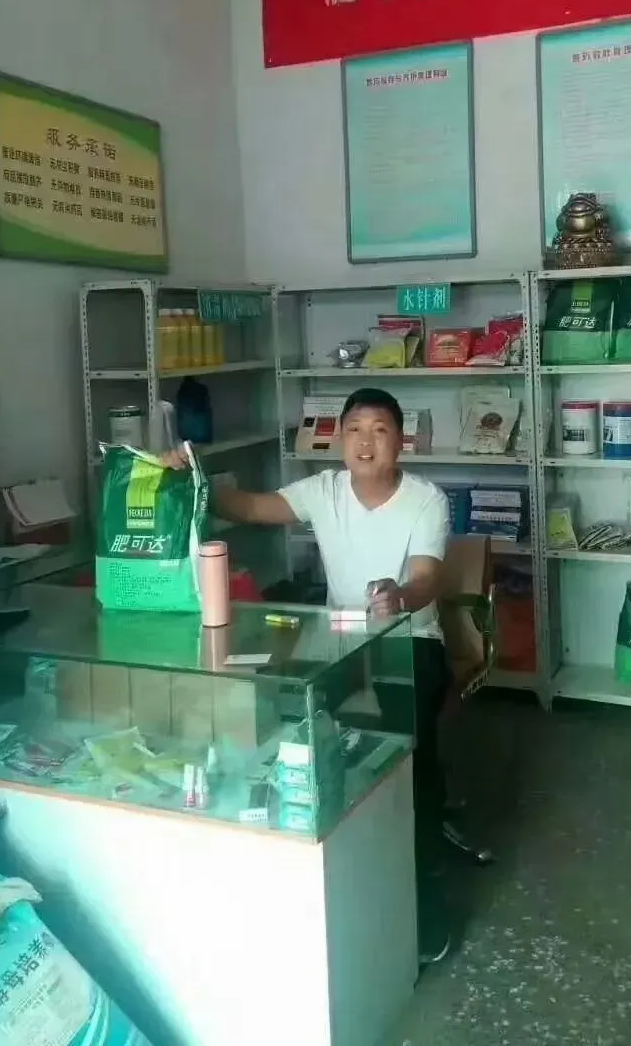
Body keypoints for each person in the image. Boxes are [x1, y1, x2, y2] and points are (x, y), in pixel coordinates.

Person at [166, 387, 452, 964]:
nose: (365, 442)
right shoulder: (323, 490)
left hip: (411, 641)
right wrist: (188, 474)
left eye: (380, 430)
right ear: (340, 438)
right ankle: (329, 867)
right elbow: (247, 508)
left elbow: (426, 579)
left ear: (402, 441)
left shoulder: (427, 500)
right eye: (355, 430)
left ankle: (422, 892)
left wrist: (400, 596)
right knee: (292, 726)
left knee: (402, 751)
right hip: (341, 641)